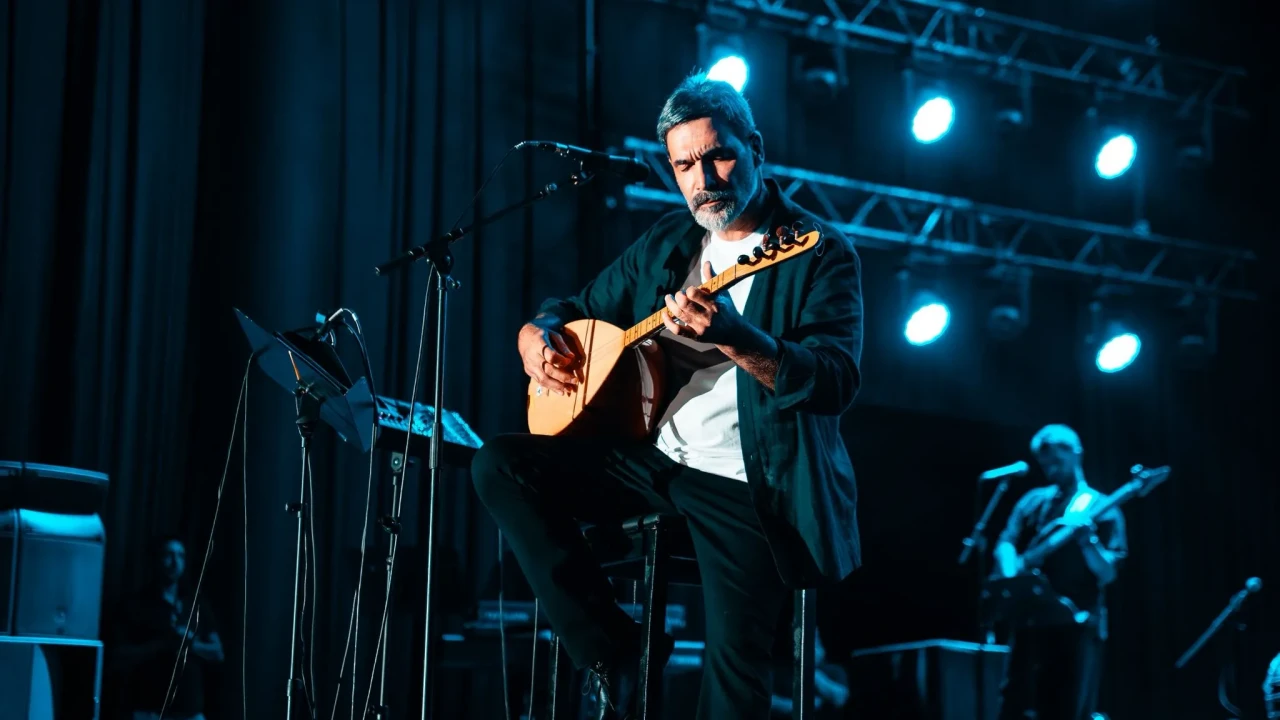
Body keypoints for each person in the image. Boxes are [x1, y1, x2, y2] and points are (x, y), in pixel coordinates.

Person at [470, 73, 864, 719]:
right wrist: (533, 336)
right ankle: (615, 648)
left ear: (755, 148)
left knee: (734, 679)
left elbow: (834, 381)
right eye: (684, 165)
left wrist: (736, 337)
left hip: (750, 484)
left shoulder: (817, 250)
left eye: (719, 156)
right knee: (501, 464)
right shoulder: (669, 240)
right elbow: (572, 308)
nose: (703, 178)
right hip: (655, 461)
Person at [992, 424, 1127, 720]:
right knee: (1012, 705)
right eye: (1045, 464)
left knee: (1064, 708)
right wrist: (1012, 573)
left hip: (1076, 623)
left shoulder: (1101, 506)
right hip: (1028, 622)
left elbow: (1108, 573)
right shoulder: (1032, 500)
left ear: (1077, 453)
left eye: (1057, 460)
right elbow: (1005, 543)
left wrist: (1088, 542)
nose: (1051, 469)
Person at [111, 536, 224, 720]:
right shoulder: (136, 604)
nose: (175, 562)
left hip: (190, 712)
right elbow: (117, 656)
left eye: (180, 556)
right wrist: (161, 644)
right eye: (168, 555)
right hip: (149, 711)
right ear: (156, 559)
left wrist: (188, 643)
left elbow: (218, 652)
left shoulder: (196, 604)